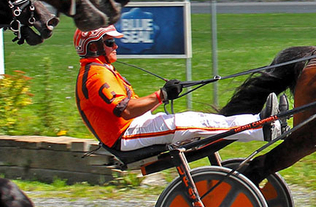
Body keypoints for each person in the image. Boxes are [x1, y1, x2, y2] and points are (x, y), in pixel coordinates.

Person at [74, 25, 287, 151]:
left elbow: (130, 109)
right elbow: (127, 110)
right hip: (125, 137)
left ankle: (264, 123)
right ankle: (263, 126)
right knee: (191, 122)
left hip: (131, 129)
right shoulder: (95, 75)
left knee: (197, 120)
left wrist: (165, 95)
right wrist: (162, 95)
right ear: (94, 47)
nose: (116, 46)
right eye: (110, 42)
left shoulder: (102, 71)